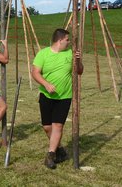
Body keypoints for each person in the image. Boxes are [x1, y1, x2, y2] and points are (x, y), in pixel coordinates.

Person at [31, 28, 83, 169]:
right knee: (47, 127)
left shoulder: (70, 54)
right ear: (60, 40)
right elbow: (35, 73)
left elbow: (80, 71)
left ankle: (50, 155)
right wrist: (46, 84)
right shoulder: (43, 54)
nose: (69, 42)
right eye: (67, 39)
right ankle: (60, 150)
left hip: (64, 96)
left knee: (58, 125)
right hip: (46, 95)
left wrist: (78, 60)